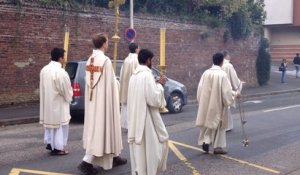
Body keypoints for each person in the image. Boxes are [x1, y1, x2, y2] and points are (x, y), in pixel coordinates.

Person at [78, 33, 126, 175]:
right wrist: (118, 85)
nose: (108, 44)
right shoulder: (105, 61)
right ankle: (86, 163)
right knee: (102, 130)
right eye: (107, 42)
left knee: (101, 129)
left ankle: (115, 156)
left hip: (93, 101)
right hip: (104, 102)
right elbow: (111, 85)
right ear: (104, 43)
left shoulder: (90, 60)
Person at [127, 49, 169, 175]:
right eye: (152, 60)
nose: (152, 63)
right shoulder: (146, 75)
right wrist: (160, 85)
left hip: (135, 119)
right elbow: (154, 100)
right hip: (147, 120)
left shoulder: (133, 76)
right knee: (152, 150)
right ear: (148, 60)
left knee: (139, 152)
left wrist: (154, 83)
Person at [196, 52, 239, 154]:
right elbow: (226, 92)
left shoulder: (206, 73)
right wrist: (235, 94)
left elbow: (200, 88)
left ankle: (205, 141)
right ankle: (217, 147)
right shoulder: (222, 74)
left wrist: (200, 101)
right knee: (218, 125)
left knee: (207, 123)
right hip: (218, 104)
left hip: (206, 103)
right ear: (222, 62)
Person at [39, 47, 73, 156]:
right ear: (60, 58)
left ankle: (50, 143)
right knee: (59, 126)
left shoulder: (44, 69)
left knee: (50, 125)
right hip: (58, 104)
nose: (65, 59)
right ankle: (58, 148)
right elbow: (66, 90)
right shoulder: (61, 72)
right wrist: (69, 98)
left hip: (48, 103)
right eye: (64, 57)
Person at [119, 42, 140, 130]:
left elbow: (121, 74)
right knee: (133, 107)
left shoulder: (126, 60)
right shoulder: (136, 60)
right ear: (136, 49)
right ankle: (133, 126)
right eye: (138, 48)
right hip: (134, 88)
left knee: (126, 107)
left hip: (125, 87)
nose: (139, 49)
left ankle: (126, 124)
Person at [221, 50, 243, 131]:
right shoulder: (228, 65)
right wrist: (239, 84)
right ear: (226, 56)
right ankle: (226, 126)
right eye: (229, 55)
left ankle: (225, 125)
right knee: (226, 108)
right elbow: (234, 79)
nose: (230, 56)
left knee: (222, 108)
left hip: (217, 90)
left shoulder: (216, 65)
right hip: (226, 90)